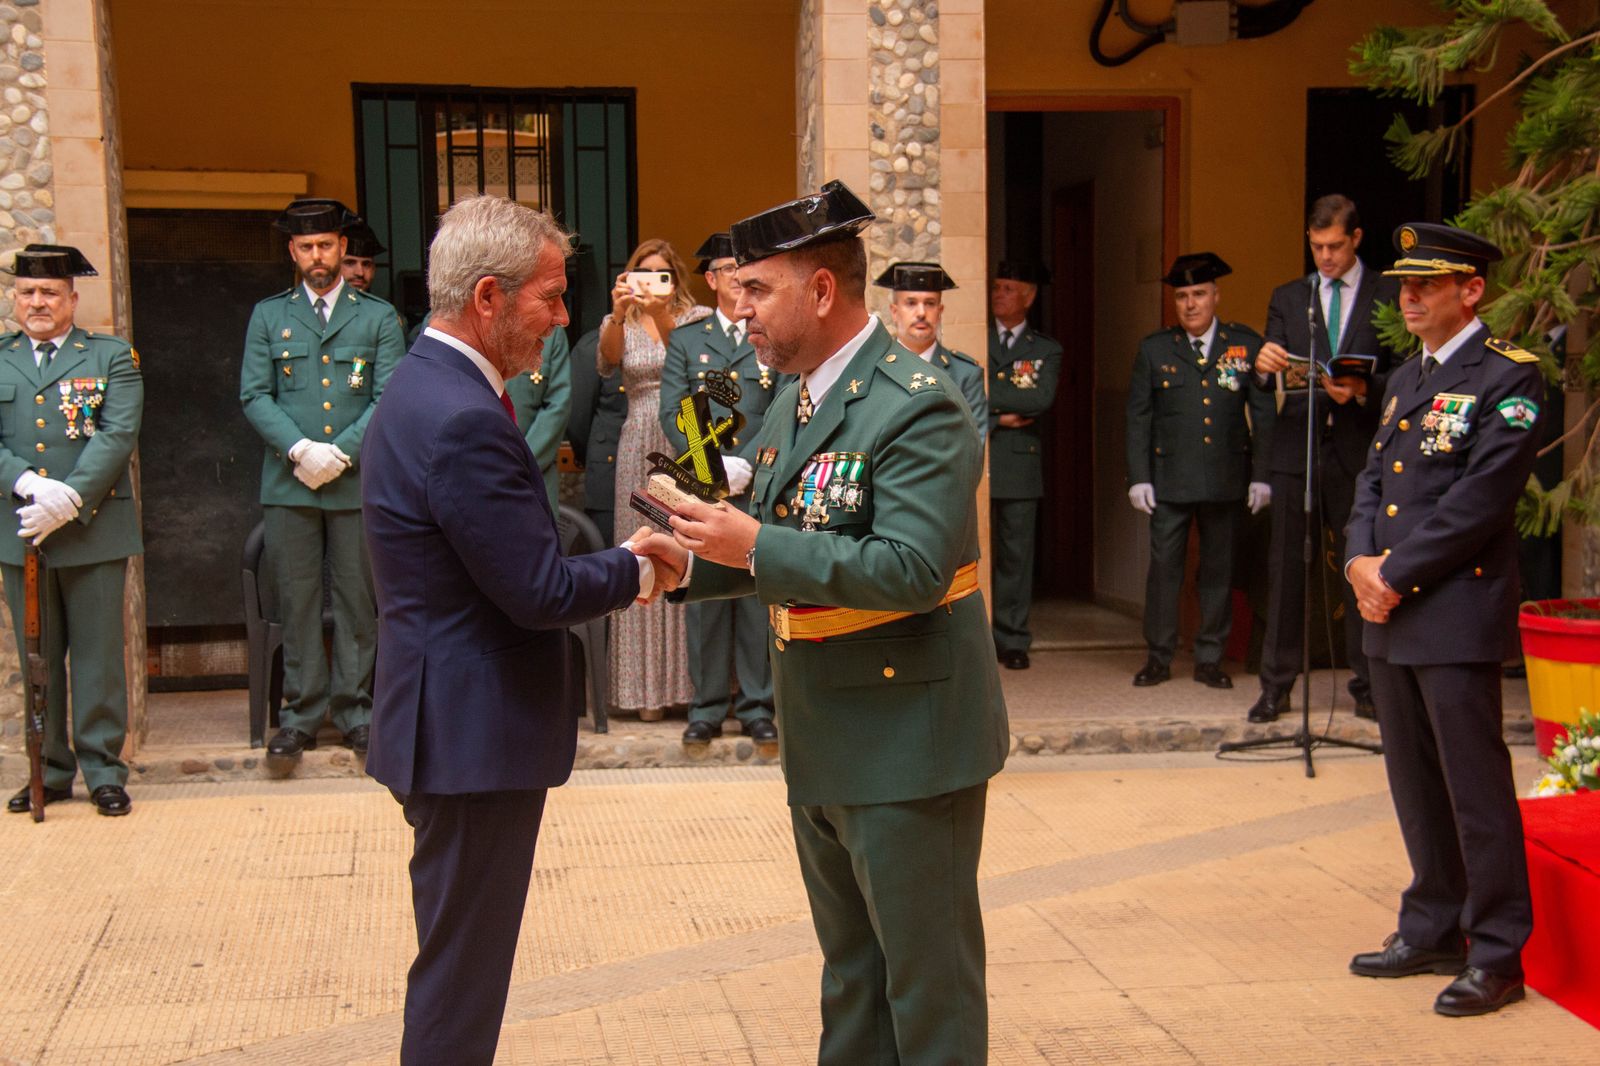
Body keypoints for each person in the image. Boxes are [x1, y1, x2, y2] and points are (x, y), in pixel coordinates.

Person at [651, 180, 1009, 1065]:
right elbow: (789, 548)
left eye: (756, 290)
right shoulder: (793, 399)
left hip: (906, 740)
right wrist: (690, 564)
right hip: (826, 733)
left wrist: (752, 544)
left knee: (928, 990)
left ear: (820, 290)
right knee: (852, 976)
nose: (740, 310)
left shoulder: (918, 402)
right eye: (737, 291)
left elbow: (914, 570)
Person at [361, 195, 679, 1064]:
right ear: (491, 297)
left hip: (449, 722)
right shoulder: (462, 414)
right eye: (553, 294)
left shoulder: (434, 384)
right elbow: (536, 588)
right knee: (461, 981)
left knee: (458, 965)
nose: (566, 315)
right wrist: (644, 562)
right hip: (470, 737)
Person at [1344, 223, 1542, 1018]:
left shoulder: (1508, 378)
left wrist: (1394, 572)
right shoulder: (1403, 380)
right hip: (1388, 610)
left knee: (1473, 790)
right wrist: (1359, 563)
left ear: (1473, 291)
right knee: (1415, 785)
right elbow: (1370, 482)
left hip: (1453, 609)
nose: (1411, 296)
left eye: (1428, 283)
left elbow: (1479, 501)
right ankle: (1432, 923)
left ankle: (1497, 952)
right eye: (1404, 285)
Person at [240, 198, 405, 766]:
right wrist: (300, 449)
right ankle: (302, 715)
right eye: (306, 247)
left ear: (342, 248)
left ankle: (358, 712)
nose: (318, 256)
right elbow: (254, 394)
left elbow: (389, 395)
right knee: (299, 600)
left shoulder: (377, 316)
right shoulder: (269, 315)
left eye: (327, 245)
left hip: (356, 481)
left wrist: (341, 451)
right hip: (290, 484)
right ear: (293, 251)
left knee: (360, 601)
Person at [1, 245, 142, 818]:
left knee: (97, 655)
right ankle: (48, 768)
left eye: (50, 292)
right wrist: (29, 484)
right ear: (14, 299)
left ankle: (103, 769)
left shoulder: (110, 357)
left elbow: (118, 432)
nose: (38, 302)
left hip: (95, 529)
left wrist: (72, 498)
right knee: (35, 652)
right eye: (28, 292)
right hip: (19, 527)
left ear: (71, 300)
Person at [1247, 194, 1399, 724]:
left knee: (1362, 566)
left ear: (1356, 239)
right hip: (1299, 448)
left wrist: (1362, 390)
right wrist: (1264, 368)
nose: (1326, 257)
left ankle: (1369, 683)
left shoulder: (1390, 292)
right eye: (1316, 247)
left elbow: (1404, 373)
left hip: (1360, 450)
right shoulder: (1290, 296)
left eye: (1335, 246)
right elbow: (1269, 373)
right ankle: (1276, 685)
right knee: (1288, 566)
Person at [1125, 253, 1274, 689]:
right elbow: (1138, 417)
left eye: (1199, 294)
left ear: (1216, 296)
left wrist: (1262, 475)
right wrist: (1139, 477)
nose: (1190, 304)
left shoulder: (1245, 345)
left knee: (1217, 570)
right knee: (1164, 570)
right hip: (1169, 480)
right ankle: (1159, 656)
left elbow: (1264, 415)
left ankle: (1210, 657)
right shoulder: (1155, 349)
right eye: (1183, 296)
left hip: (1227, 478)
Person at [659, 233, 779, 747]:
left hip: (758, 484)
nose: (736, 277)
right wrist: (712, 465)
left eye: (744, 268)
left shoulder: (770, 334)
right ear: (710, 279)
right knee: (705, 595)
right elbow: (675, 409)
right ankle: (706, 706)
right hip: (705, 486)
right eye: (728, 268)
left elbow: (784, 407)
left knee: (757, 592)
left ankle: (758, 706)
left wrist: (749, 463)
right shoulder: (688, 340)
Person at [597, 238, 709, 718]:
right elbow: (606, 363)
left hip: (686, 434)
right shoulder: (621, 316)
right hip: (638, 437)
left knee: (687, 544)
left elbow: (687, 362)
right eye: (643, 273)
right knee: (641, 549)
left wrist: (661, 312)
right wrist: (619, 314)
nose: (652, 282)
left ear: (675, 277)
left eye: (662, 273)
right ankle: (644, 693)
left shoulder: (694, 317)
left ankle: (693, 688)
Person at [988, 261, 1061, 670]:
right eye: (996, 287)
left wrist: (989, 400)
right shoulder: (975, 340)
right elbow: (966, 394)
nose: (999, 294)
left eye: (1009, 288)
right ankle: (980, 636)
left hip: (1019, 466)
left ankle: (1013, 638)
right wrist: (999, 415)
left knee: (1017, 557)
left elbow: (1038, 400)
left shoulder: (1045, 348)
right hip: (981, 459)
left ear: (1029, 296)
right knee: (978, 553)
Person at [877, 260, 988, 438]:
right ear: (894, 311)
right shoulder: (874, 368)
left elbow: (974, 446)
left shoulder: (966, 374)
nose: (921, 313)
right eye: (911, 303)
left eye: (929, 303)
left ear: (940, 310)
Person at [564, 326, 621, 544]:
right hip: (610, 478)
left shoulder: (681, 340)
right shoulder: (594, 345)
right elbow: (578, 417)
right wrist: (591, 457)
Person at [504, 324, 572, 510]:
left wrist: (521, 462)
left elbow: (558, 404)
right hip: (475, 473)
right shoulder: (450, 321)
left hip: (534, 475)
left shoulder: (551, 333)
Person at [340, 216, 384, 293]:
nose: (360, 273)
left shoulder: (379, 305)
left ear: (374, 269)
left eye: (366, 264)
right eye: (350, 263)